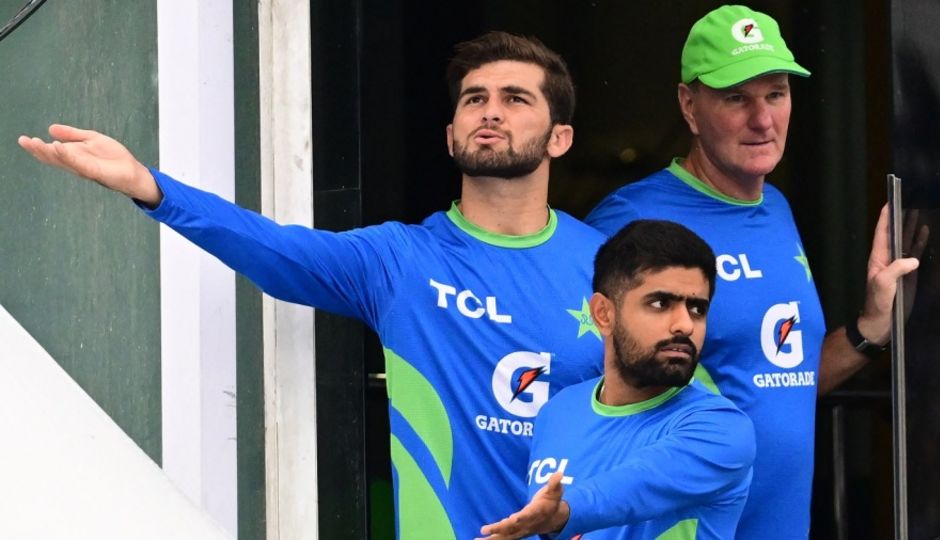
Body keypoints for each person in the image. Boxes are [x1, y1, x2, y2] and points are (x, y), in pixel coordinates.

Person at [18, 32, 607, 538]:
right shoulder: (399, 260)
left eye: (515, 99)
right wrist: (152, 187)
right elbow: (276, 250)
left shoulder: (612, 266)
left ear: (560, 138)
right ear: (451, 134)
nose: (490, 111)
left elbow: (676, 416)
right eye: (474, 99)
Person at [584, 6, 922, 539]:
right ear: (689, 107)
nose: (762, 119)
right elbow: (591, 394)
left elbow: (779, 381)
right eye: (735, 98)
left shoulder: (777, 210)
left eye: (776, 94)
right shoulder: (630, 219)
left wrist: (868, 328)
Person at [479, 219, 756, 540]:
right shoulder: (558, 412)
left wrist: (564, 513)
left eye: (697, 308)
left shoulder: (723, 429)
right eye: (660, 303)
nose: (685, 325)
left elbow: (639, 485)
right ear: (603, 314)